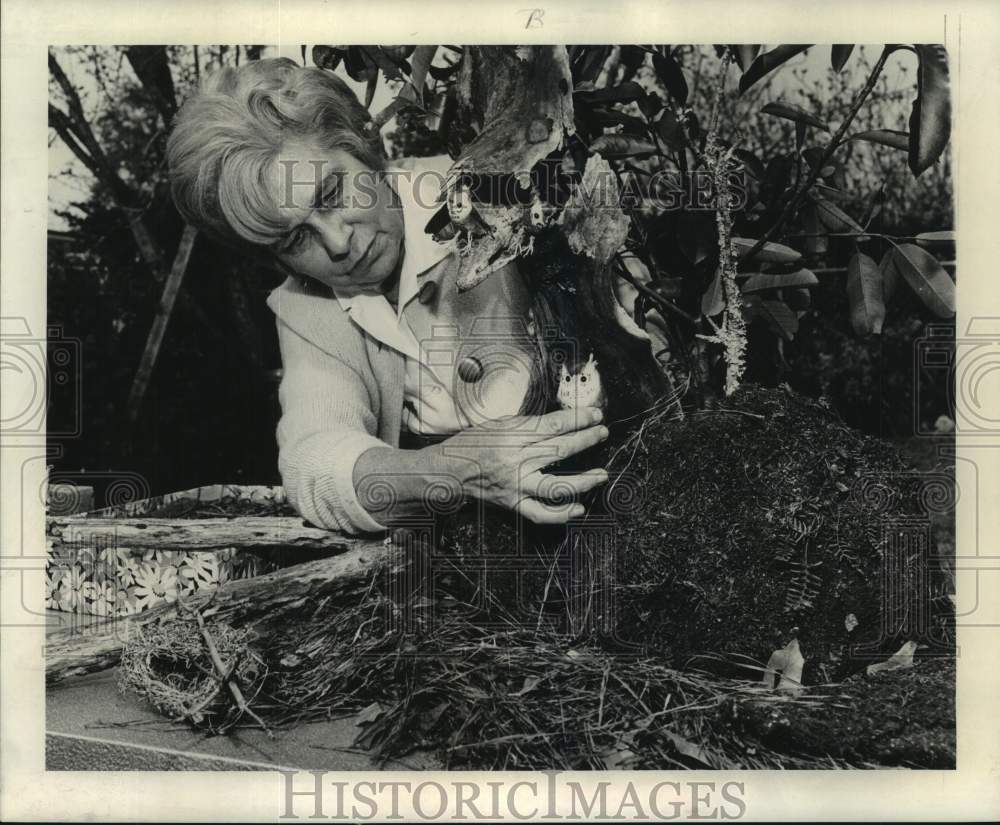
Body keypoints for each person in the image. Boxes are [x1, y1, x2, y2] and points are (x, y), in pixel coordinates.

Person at [166, 57, 610, 534]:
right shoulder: (309, 306)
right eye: (295, 239)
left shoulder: (498, 193)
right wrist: (451, 470)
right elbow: (313, 463)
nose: (337, 244)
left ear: (364, 147)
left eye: (332, 193)